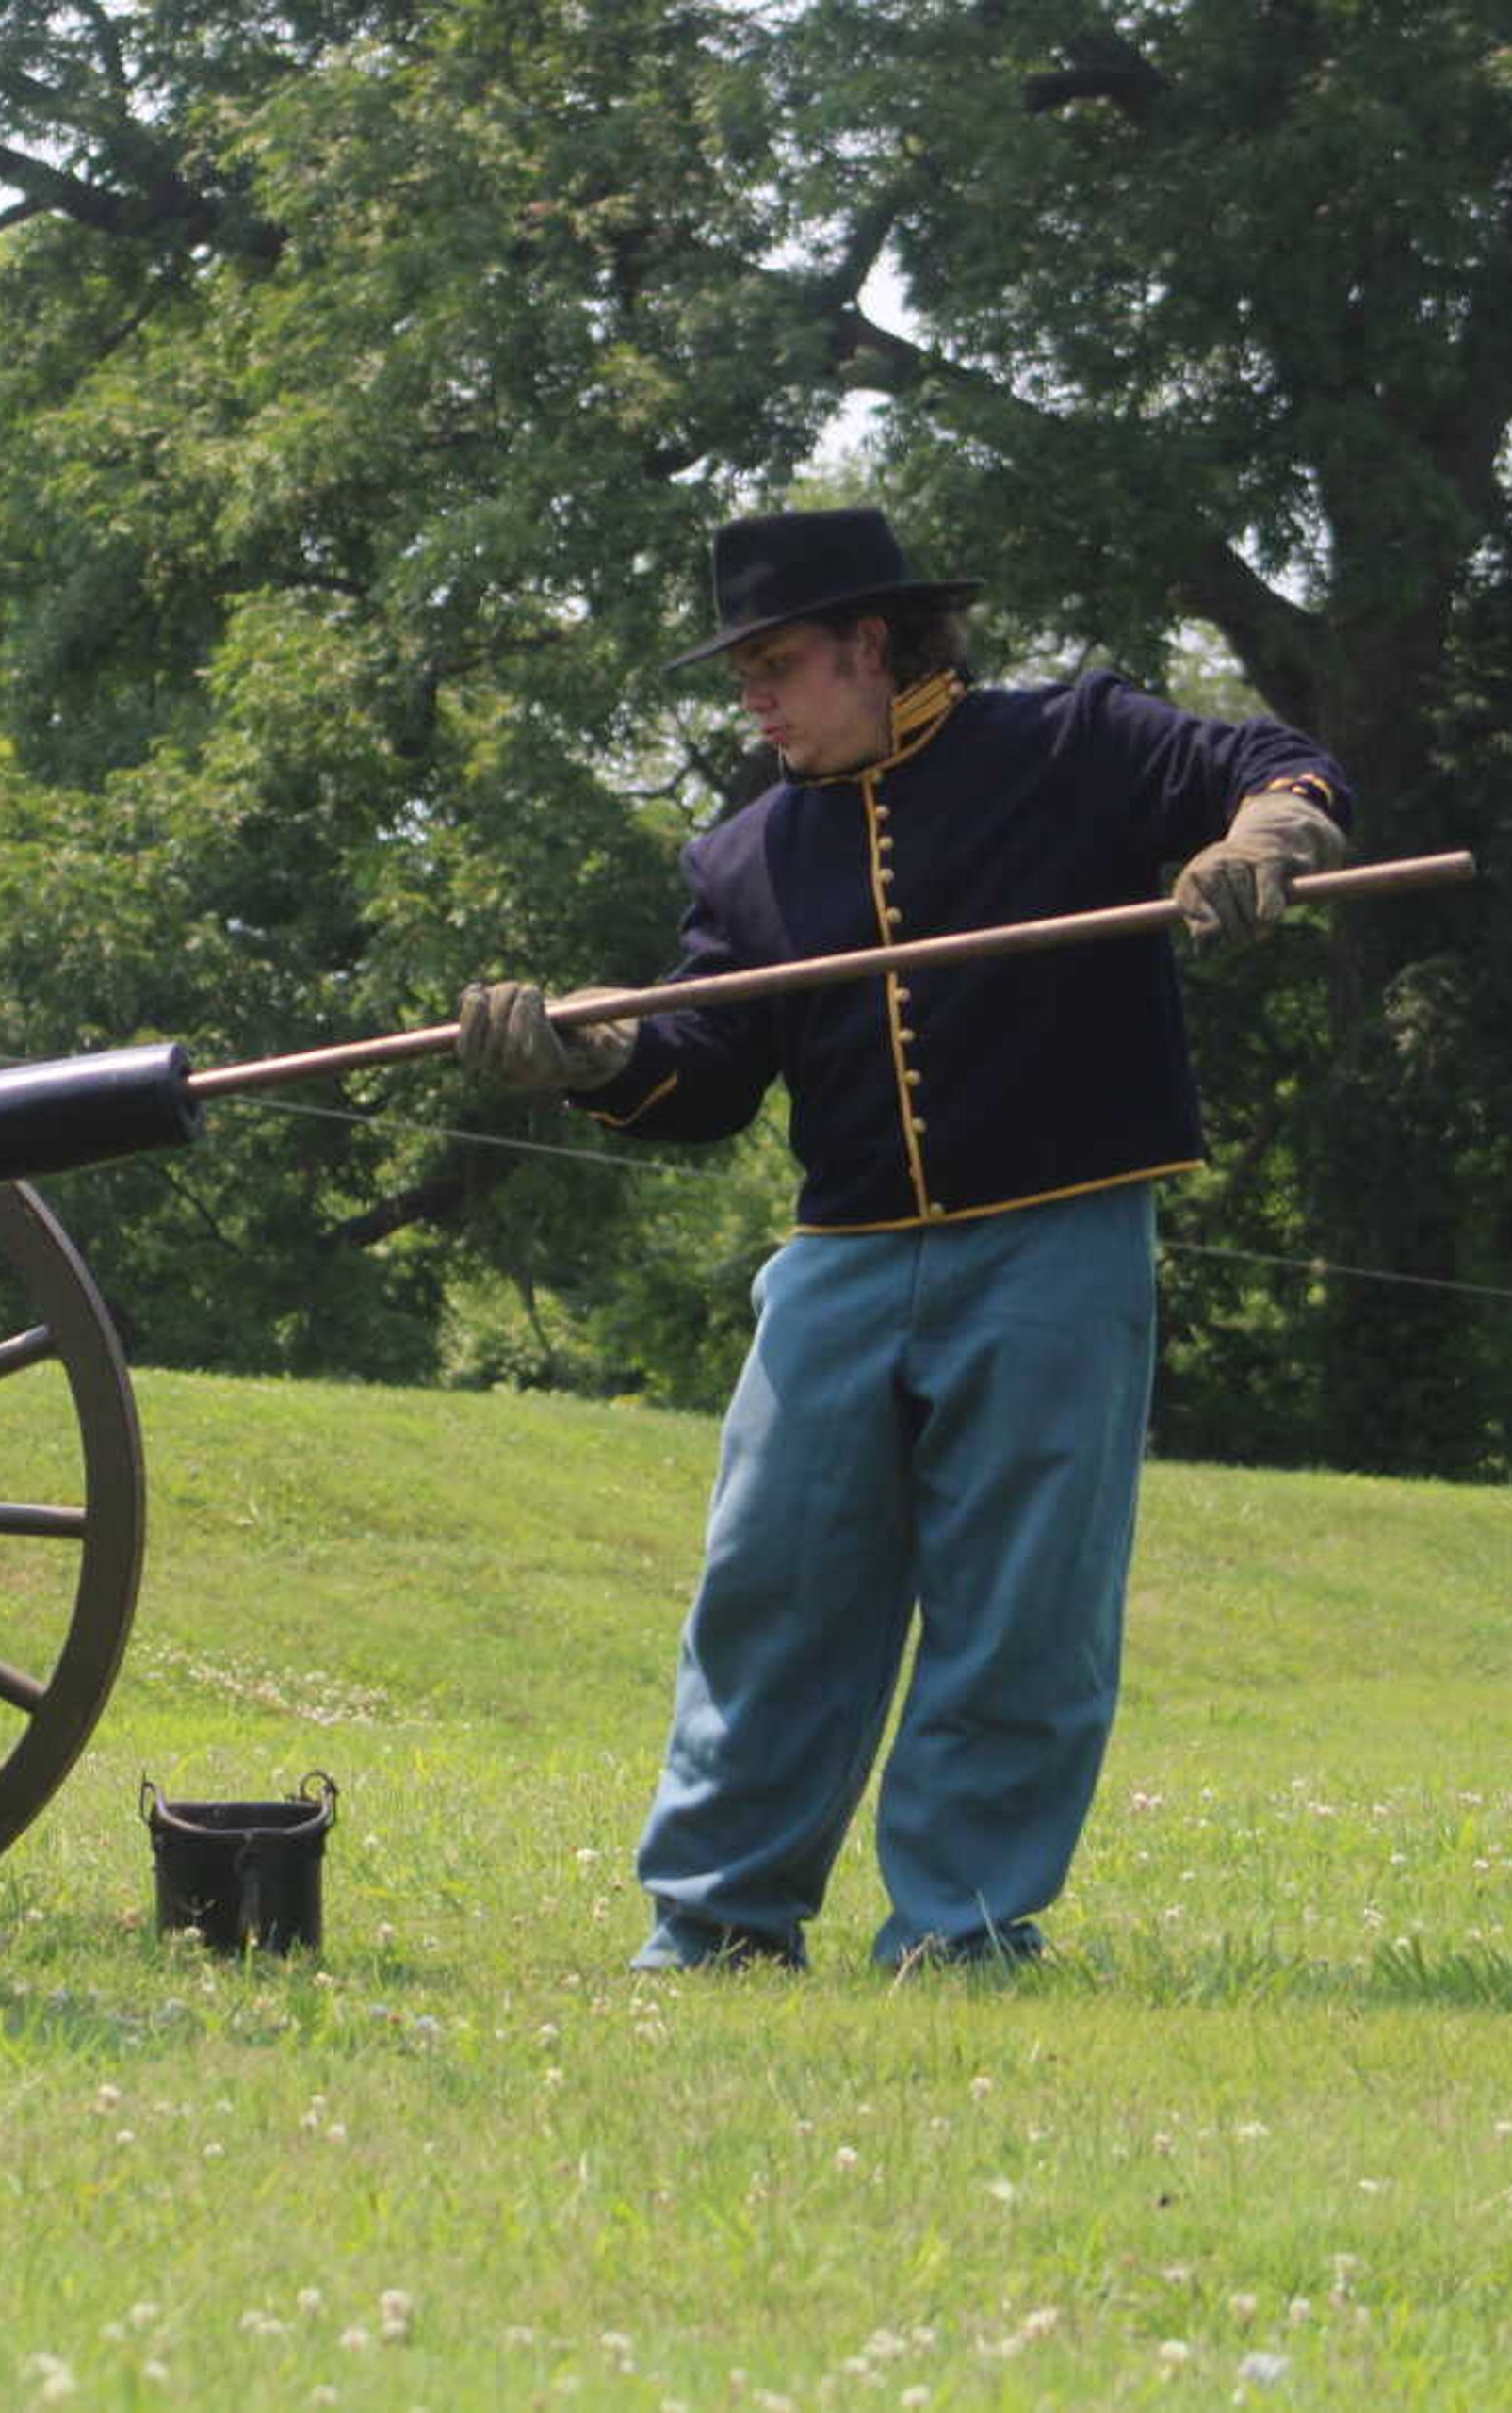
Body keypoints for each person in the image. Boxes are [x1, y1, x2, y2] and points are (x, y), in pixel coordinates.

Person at [459, 507, 1352, 1973]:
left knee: (1021, 1607)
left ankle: (962, 1931)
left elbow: (1270, 762)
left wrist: (1268, 832)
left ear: (875, 645)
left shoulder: (1076, 742)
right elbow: (707, 1074)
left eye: (778, 662)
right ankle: (720, 1924)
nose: (753, 697)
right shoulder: (741, 855)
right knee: (769, 1588)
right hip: (845, 1256)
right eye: (740, 669)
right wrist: (593, 1060)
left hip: (1059, 1235)